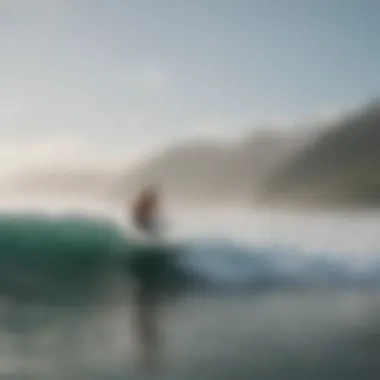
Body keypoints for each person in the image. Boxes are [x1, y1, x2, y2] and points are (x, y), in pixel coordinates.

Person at [129, 186, 165, 374]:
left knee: (158, 228)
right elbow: (135, 215)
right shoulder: (142, 202)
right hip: (140, 221)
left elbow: (153, 216)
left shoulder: (150, 202)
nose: (156, 200)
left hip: (144, 222)